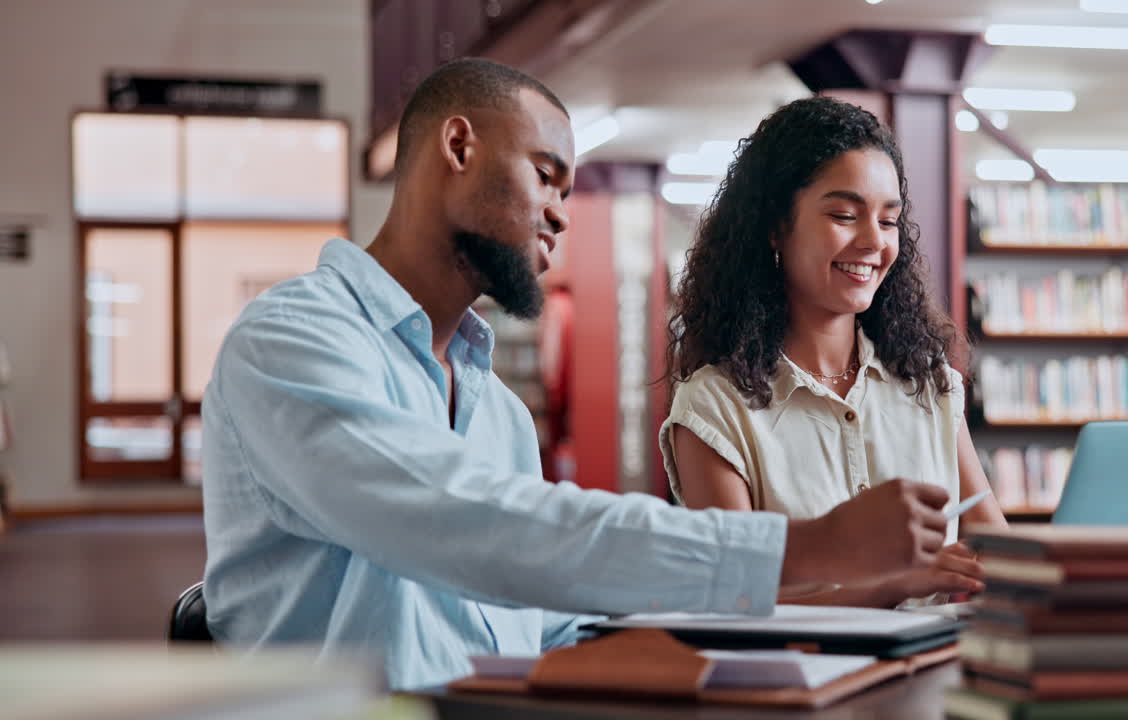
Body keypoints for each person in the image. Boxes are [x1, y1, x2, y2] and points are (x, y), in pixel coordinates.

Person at [200, 59, 955, 690]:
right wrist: (809, 549)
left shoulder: (493, 410)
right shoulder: (292, 341)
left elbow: (547, 618)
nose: (561, 213)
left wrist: (762, 646)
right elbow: (470, 523)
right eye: (546, 176)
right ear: (458, 145)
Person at [661, 97, 1007, 608]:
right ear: (776, 227)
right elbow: (733, 600)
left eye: (889, 221)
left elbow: (995, 546)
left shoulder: (928, 384)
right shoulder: (714, 406)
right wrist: (887, 590)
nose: (873, 241)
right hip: (801, 683)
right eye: (845, 215)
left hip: (942, 677)